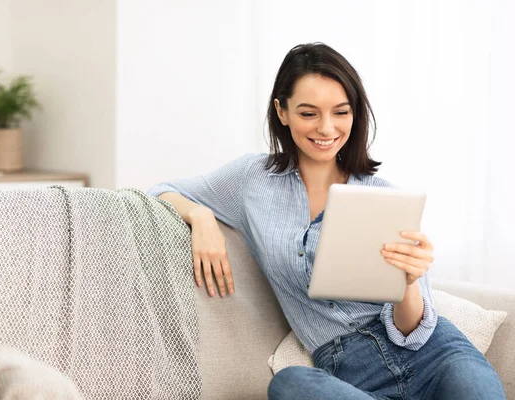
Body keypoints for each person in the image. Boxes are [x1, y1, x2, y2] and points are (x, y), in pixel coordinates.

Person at [146, 42, 506, 399]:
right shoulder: (250, 180)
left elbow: (412, 330)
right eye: (308, 113)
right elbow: (160, 190)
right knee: (289, 385)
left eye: (341, 112)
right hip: (348, 373)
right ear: (282, 111)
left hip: (436, 357)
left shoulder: (385, 197)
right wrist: (201, 214)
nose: (326, 128)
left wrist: (409, 283)